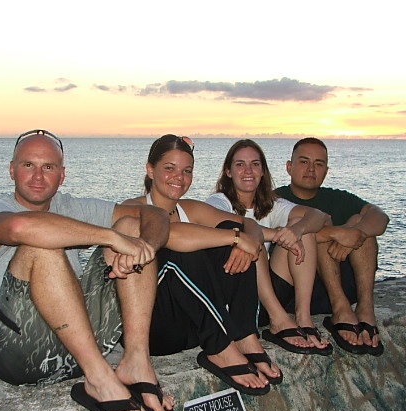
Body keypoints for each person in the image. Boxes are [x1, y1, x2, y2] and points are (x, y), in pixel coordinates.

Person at [0, 129, 173, 411]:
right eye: (28, 165)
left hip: (76, 347)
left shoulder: (71, 206)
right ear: (12, 170)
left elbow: (155, 214)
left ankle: (136, 361)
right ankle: (99, 379)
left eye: (48, 167)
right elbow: (21, 226)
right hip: (17, 355)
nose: (38, 176)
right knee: (42, 243)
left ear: (61, 175)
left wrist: (144, 246)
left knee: (132, 226)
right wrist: (112, 237)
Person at [123, 134, 282, 396]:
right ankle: (221, 350)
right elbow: (170, 234)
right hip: (156, 329)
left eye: (187, 171)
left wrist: (246, 238)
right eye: (169, 168)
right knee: (184, 250)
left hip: (194, 327)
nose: (179, 177)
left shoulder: (191, 208)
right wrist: (237, 238)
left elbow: (247, 223)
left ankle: (245, 336)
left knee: (229, 230)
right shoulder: (131, 208)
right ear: (150, 170)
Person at [206, 139, 332, 355]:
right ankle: (279, 320)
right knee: (251, 240)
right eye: (240, 164)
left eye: (255, 164)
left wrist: (297, 230)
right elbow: (237, 227)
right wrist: (277, 236)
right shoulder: (218, 201)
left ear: (262, 171)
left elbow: (319, 216)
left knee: (303, 230)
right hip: (236, 298)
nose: (248, 171)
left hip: (266, 293)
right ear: (228, 171)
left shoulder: (270, 204)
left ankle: (303, 317)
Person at [275, 137, 390, 356]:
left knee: (360, 221)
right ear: (289, 167)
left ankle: (365, 308)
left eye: (318, 164)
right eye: (304, 162)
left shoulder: (337, 198)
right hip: (298, 292)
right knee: (316, 231)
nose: (311, 169)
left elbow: (381, 218)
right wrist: (339, 234)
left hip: (343, 285)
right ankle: (340, 310)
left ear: (326, 170)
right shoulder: (275, 199)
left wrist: (356, 234)